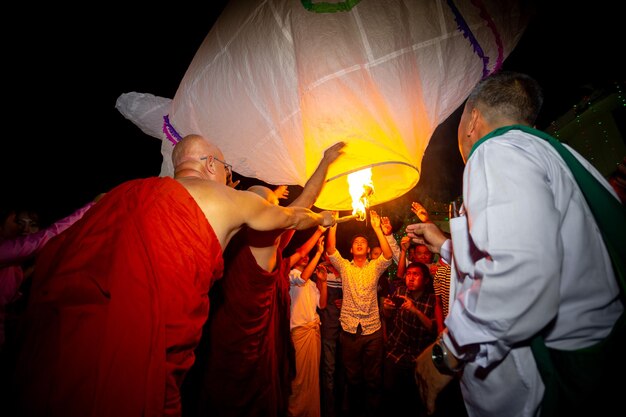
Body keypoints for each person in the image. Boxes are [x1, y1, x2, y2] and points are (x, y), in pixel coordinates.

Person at [10, 134, 336, 417]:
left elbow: (62, 243)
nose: (228, 177)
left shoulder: (123, 193)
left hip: (76, 342)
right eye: (225, 169)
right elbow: (293, 216)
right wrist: (321, 219)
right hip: (151, 354)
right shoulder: (227, 200)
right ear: (210, 164)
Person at [408, 72, 625, 417]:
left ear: (472, 118)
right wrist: (446, 247)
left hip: (546, 385)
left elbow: (520, 273)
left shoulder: (495, 151)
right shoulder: (544, 151)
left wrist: (446, 353)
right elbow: (530, 245)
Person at [197, 142, 345, 417]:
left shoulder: (229, 230)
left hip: (219, 345)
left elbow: (301, 204)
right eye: (275, 206)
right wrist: (320, 218)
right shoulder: (265, 239)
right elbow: (303, 209)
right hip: (247, 354)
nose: (281, 210)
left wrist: (325, 162)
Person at [325, 210, 393, 417]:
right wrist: (334, 224)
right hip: (349, 330)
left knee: (373, 379)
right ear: (352, 250)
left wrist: (376, 229)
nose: (361, 244)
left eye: (364, 242)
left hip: (372, 330)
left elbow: (388, 256)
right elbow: (330, 250)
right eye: (356, 243)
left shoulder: (374, 267)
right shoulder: (345, 267)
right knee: (352, 378)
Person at [381, 262, 438, 417]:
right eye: (409, 274)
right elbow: (387, 317)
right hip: (395, 353)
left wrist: (415, 310)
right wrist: (386, 309)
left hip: (418, 359)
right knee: (390, 399)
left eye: (416, 274)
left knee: (414, 403)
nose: (410, 278)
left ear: (426, 280)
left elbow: (434, 330)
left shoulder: (433, 300)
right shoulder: (400, 291)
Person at [287, 234, 328, 417]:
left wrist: (324, 282)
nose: (305, 256)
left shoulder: (311, 283)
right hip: (300, 332)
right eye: (301, 254)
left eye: (307, 255)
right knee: (300, 379)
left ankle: (310, 412)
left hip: (314, 331)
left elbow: (323, 305)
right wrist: (318, 253)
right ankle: (295, 411)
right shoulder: (291, 275)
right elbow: (302, 278)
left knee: (312, 378)